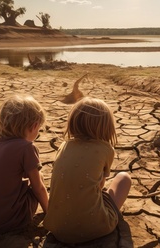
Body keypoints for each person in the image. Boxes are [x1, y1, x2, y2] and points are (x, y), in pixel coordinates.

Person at [44, 97, 131, 244]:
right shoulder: (105, 149)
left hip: (57, 228)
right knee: (124, 178)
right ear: (107, 127)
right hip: (95, 228)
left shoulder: (64, 146)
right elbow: (100, 185)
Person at [0, 94, 49, 236]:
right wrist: (50, 213)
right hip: (9, 223)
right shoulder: (26, 147)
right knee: (39, 176)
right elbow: (38, 188)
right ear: (34, 126)